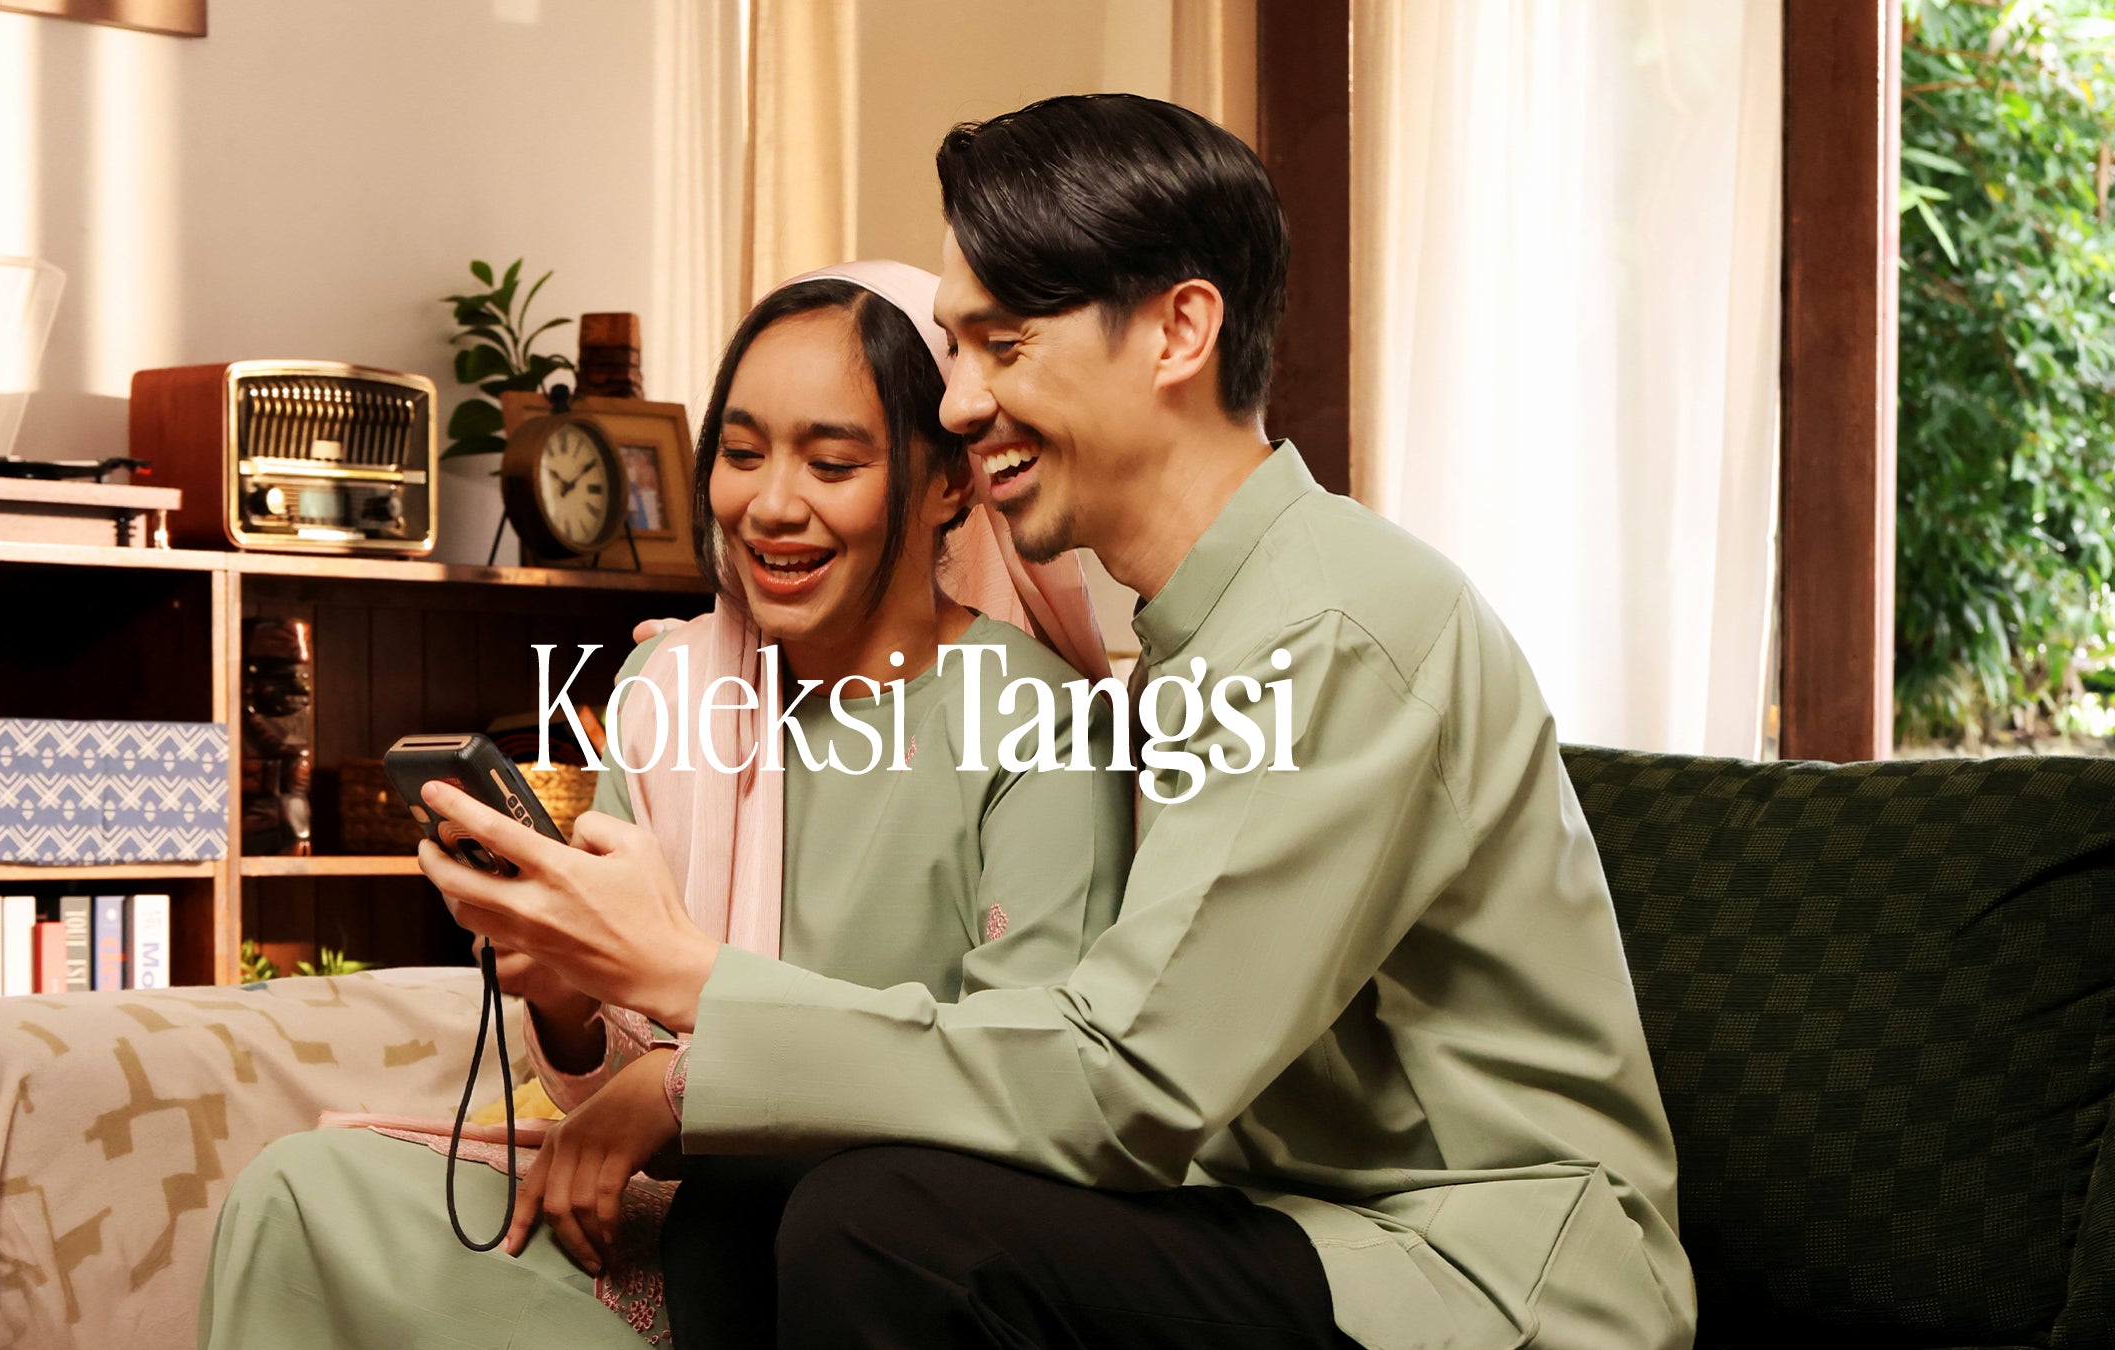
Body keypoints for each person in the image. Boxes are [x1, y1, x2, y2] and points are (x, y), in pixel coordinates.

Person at [419, 94, 1696, 1350]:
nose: (959, 404)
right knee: (758, 1203)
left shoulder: (1329, 630)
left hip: (1475, 1263)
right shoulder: (1204, 631)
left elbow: (1129, 1080)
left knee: (883, 1229)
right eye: (956, 350)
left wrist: (688, 984)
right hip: (1282, 1218)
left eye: (1003, 345)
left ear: (1179, 331)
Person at [197, 261, 1131, 1348]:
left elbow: (1025, 1081)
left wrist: (682, 1085)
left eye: (833, 463)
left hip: (865, 1248)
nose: (770, 505)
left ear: (950, 484)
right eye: (741, 453)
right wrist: (561, 993)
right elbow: (608, 1075)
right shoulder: (669, 689)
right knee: (301, 1193)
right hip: (677, 1207)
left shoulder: (1038, 722)